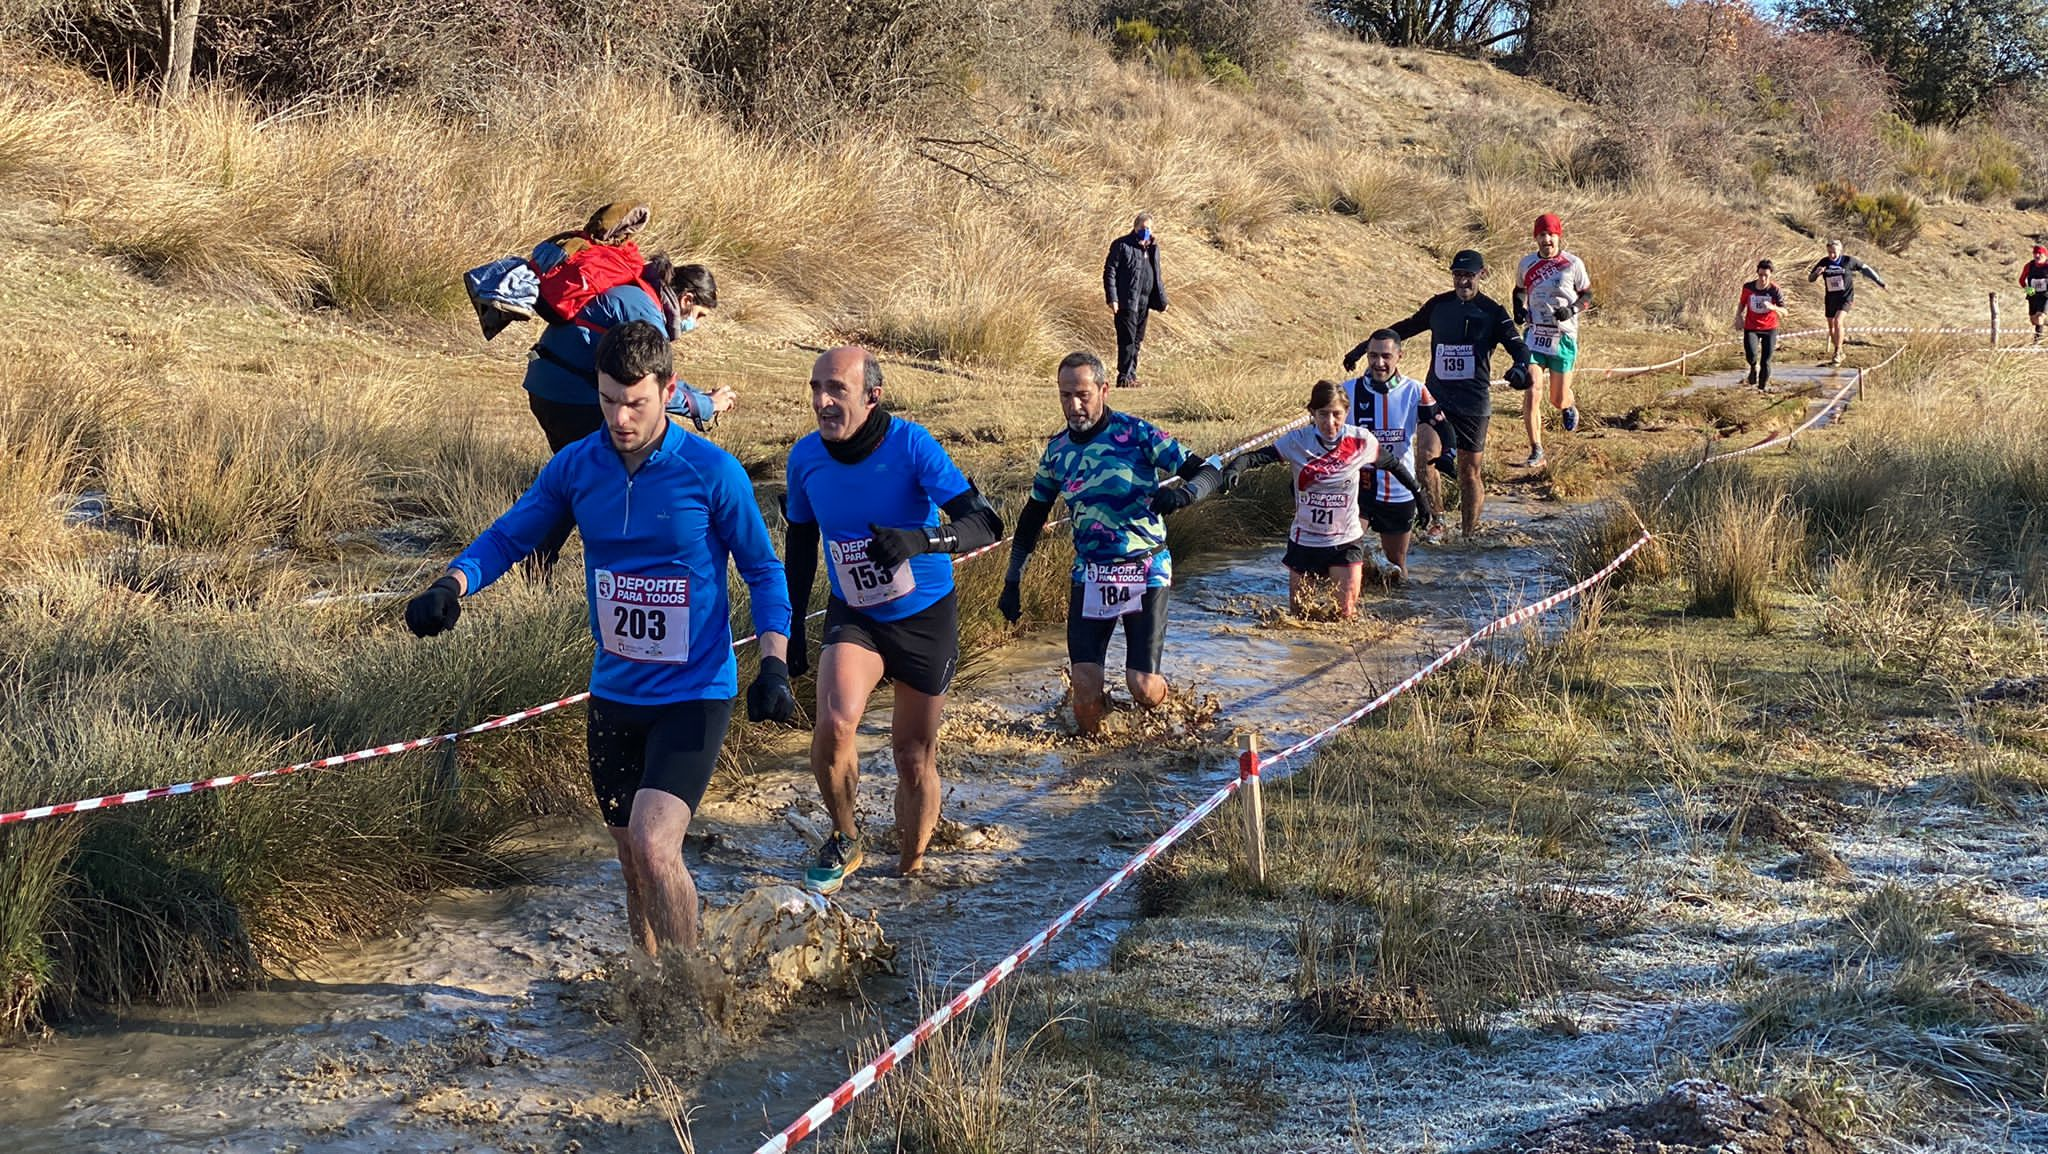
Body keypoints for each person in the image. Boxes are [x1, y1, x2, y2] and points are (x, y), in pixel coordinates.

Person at [404, 320, 795, 957]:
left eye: (635, 402)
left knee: (653, 842)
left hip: (694, 692)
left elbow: (763, 570)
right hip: (614, 694)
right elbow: (510, 536)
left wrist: (773, 664)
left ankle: (691, 984)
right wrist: (452, 585)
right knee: (630, 856)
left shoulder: (712, 473)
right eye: (608, 399)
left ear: (668, 390)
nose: (619, 417)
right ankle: (648, 977)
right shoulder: (577, 466)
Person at [781, 347, 1005, 895]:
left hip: (924, 616)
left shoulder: (912, 446)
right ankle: (845, 836)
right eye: (815, 388)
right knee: (834, 727)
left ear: (871, 396)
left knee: (911, 755)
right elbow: (801, 544)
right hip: (855, 613)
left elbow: (987, 523)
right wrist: (789, 628)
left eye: (836, 389)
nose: (822, 401)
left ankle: (910, 870)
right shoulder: (805, 457)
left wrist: (920, 541)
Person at [998, 350, 1225, 736]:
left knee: (1143, 687)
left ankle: (1178, 720)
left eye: (1083, 394)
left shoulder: (1137, 435)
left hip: (1145, 568)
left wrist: (1183, 496)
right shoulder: (1056, 452)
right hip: (1091, 572)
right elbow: (1032, 518)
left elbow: (1209, 471)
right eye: (1065, 395)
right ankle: (1100, 762)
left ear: (1103, 390)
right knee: (1084, 692)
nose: (1074, 405)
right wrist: (1013, 579)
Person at [524, 257, 739, 574]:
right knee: (604, 479)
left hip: (552, 389)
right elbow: (649, 389)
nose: (697, 324)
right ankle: (589, 566)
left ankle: (541, 560)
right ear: (687, 300)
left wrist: (701, 397)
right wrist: (707, 407)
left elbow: (660, 377)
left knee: (582, 477)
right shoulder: (644, 314)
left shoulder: (640, 296)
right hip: (570, 399)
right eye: (700, 316)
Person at [1345, 250, 1531, 540]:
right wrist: (1362, 347)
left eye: (1468, 275)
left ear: (1482, 275)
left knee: (1468, 472)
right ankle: (1438, 521)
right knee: (1425, 458)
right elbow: (1404, 328)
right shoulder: (1439, 306)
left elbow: (1518, 346)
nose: (1462, 281)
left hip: (1473, 402)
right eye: (1457, 275)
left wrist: (1520, 366)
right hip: (1435, 396)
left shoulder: (1492, 311)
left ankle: (1469, 536)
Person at [1224, 380, 1424, 617]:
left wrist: (1420, 498)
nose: (1330, 423)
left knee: (1344, 617)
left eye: (1337, 415)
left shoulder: (1361, 441)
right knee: (1299, 619)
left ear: (1347, 412)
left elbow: (1394, 465)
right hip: (1305, 541)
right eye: (1323, 414)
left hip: (1345, 541)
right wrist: (1235, 467)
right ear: (1312, 413)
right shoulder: (1297, 441)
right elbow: (1257, 457)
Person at [1340, 330, 1458, 574]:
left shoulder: (1415, 390)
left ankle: (1395, 608)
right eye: (1372, 356)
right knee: (1345, 552)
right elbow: (1323, 433)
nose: (1378, 363)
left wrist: (1448, 454)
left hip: (1398, 489)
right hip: (1358, 487)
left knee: (1397, 565)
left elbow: (1443, 427)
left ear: (1399, 356)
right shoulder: (1348, 390)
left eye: (1385, 356)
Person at [1512, 213, 1592, 467]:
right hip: (1536, 335)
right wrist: (1518, 308)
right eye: (1542, 235)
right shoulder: (1527, 264)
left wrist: (1572, 310)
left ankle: (1569, 405)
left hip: (1563, 336)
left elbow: (1587, 295)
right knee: (1533, 388)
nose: (1547, 240)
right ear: (1536, 237)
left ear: (1559, 236)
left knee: (1556, 399)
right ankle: (1536, 449)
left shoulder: (1572, 263)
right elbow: (1519, 290)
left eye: (1551, 235)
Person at [1103, 213, 1168, 388]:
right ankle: (1124, 377)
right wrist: (1112, 298)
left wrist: (1162, 300)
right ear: (1136, 227)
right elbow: (1110, 272)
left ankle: (1131, 375)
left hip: (1144, 303)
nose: (1146, 231)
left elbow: (1157, 275)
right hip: (1126, 302)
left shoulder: (1153, 248)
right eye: (1143, 228)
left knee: (1137, 340)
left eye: (1149, 228)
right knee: (1127, 340)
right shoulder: (1122, 245)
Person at [1806, 239, 1886, 366]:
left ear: (1840, 250)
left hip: (1846, 297)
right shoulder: (1824, 262)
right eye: (1829, 252)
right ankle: (1840, 350)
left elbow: (1865, 268)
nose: (1832, 255)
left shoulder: (1848, 261)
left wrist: (1879, 281)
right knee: (1831, 326)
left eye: (1834, 252)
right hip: (1831, 298)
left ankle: (1837, 352)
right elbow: (1810, 279)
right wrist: (1816, 273)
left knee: (1838, 321)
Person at [1739, 260, 1787, 391]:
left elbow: (1785, 311)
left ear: (1770, 274)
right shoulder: (1748, 287)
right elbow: (1742, 303)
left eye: (1766, 275)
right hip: (1751, 327)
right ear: (1757, 273)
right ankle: (1753, 368)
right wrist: (1738, 316)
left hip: (1769, 328)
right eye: (1760, 275)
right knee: (1751, 355)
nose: (1763, 278)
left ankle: (1762, 388)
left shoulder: (1774, 290)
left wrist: (1773, 307)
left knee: (1766, 361)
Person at [2020, 245, 2048, 345]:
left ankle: (2036, 343)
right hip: (2033, 294)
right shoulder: (2029, 266)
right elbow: (2021, 280)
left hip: (2045, 295)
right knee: (2034, 320)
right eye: (2035, 253)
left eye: (2040, 253)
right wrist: (2028, 289)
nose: (2037, 255)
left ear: (2045, 255)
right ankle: (2044, 324)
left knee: (2040, 317)